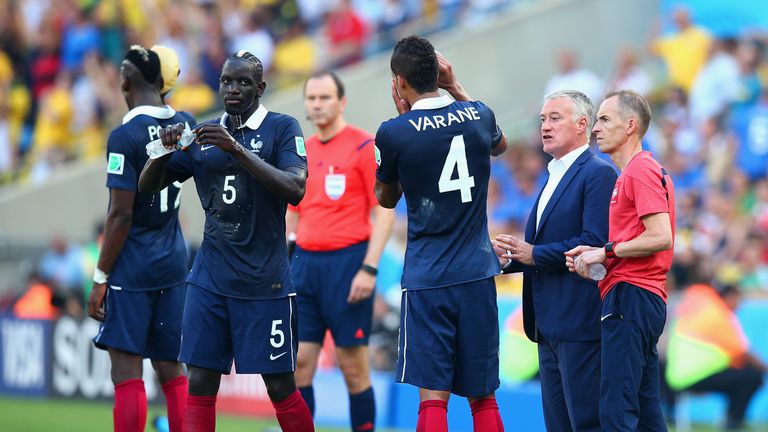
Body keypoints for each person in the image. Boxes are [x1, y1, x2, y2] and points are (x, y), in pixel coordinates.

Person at [138, 50, 314, 432]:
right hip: (210, 279)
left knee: (281, 386)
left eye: (243, 82)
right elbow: (147, 186)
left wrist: (235, 148)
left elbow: (296, 187)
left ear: (260, 88)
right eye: (226, 81)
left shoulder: (282, 128)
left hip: (264, 282)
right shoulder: (202, 134)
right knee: (200, 381)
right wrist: (163, 153)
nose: (233, 88)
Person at [375, 35, 508, 432]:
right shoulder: (479, 115)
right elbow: (499, 145)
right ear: (440, 73)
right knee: (483, 396)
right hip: (478, 273)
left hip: (429, 278)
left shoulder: (395, 132)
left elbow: (385, 198)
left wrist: (402, 124)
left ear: (400, 81)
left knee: (433, 397)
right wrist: (458, 88)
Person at [493, 90, 617, 432]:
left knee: (586, 422)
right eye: (543, 119)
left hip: (579, 319)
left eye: (555, 118)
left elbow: (593, 242)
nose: (545, 126)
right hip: (547, 323)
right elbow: (540, 248)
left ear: (582, 125)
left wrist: (531, 253)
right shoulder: (553, 175)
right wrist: (509, 258)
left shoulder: (597, 173)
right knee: (558, 425)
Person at [87, 45, 193, 432]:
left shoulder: (124, 135)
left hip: (133, 265)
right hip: (172, 260)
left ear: (126, 81)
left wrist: (100, 278)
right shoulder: (185, 122)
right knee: (171, 366)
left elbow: (120, 214)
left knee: (126, 366)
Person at [287, 71, 395, 431]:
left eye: (325, 97)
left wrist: (369, 268)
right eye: (311, 98)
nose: (317, 104)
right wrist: (286, 255)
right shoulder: (301, 149)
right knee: (300, 363)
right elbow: (293, 210)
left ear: (342, 101)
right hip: (304, 267)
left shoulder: (364, 146)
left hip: (348, 265)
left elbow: (383, 210)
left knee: (352, 367)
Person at [566, 89, 676, 431]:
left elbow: (661, 236)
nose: (595, 128)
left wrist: (606, 252)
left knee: (617, 406)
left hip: (631, 296)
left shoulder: (639, 169)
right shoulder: (635, 172)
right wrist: (597, 260)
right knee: (644, 407)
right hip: (640, 295)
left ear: (630, 126)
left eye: (603, 119)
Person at [664, 283, 766, 431]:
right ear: (729, 297)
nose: (740, 306)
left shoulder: (703, 309)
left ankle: (731, 419)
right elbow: (743, 351)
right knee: (752, 377)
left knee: (742, 377)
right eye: (738, 300)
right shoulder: (719, 314)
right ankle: (732, 423)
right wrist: (765, 368)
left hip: (678, 376)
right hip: (695, 376)